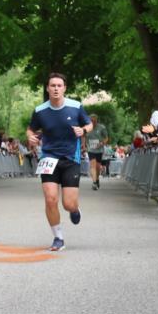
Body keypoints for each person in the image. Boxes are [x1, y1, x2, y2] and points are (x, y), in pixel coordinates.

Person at [26, 72, 92, 252]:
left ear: (64, 88)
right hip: (48, 157)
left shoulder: (76, 107)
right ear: (47, 89)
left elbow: (89, 124)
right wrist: (31, 138)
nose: (56, 88)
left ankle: (75, 210)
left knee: (68, 204)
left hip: (71, 158)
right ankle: (58, 237)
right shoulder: (40, 111)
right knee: (50, 199)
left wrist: (83, 131)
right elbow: (30, 130)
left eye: (59, 86)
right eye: (52, 85)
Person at [85, 114, 109, 190]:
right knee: (92, 165)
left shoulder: (102, 128)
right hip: (90, 149)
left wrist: (102, 143)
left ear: (97, 121)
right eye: (91, 121)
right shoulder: (87, 127)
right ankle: (94, 182)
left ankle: (97, 179)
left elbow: (106, 138)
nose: (93, 122)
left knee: (98, 167)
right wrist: (84, 145)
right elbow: (83, 136)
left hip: (99, 150)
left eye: (94, 121)